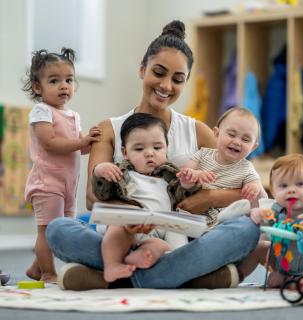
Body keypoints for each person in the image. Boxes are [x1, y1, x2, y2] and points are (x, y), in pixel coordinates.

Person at [46, 20, 260, 291]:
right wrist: (135, 218)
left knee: (246, 230)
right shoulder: (109, 129)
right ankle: (183, 276)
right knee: (59, 230)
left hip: (180, 236)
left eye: (178, 79)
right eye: (158, 73)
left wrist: (208, 198)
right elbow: (92, 197)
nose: (166, 85)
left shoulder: (198, 131)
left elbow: (244, 184)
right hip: (124, 232)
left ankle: (116, 278)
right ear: (142, 69)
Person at [95, 112, 213, 282]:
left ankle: (140, 259)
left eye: (157, 148)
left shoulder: (171, 175)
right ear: (125, 152)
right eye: (139, 149)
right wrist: (100, 171)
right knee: (115, 227)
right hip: (131, 226)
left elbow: (183, 196)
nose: (149, 153)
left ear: (167, 147)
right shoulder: (122, 173)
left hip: (164, 227)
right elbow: (102, 193)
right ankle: (112, 265)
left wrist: (188, 183)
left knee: (165, 247)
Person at [22, 48, 101, 283]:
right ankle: (48, 273)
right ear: (38, 87)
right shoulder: (41, 111)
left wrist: (93, 140)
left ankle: (37, 267)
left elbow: (80, 147)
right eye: (54, 81)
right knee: (47, 231)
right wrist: (81, 141)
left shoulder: (73, 116)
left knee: (62, 231)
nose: (64, 86)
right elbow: (50, 143)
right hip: (47, 182)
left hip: (69, 184)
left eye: (69, 80)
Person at [177, 107, 267, 227]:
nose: (237, 142)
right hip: (193, 217)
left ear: (253, 147)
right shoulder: (203, 154)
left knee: (246, 225)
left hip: (225, 222)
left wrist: (253, 187)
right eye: (231, 134)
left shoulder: (246, 168)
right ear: (217, 133)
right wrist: (193, 176)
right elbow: (183, 176)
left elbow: (261, 196)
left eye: (245, 139)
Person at [247, 154, 303, 289]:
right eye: (283, 185)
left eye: (300, 184)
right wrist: (256, 213)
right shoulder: (277, 211)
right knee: (259, 246)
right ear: (273, 191)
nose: (291, 190)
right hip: (284, 265)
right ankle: (235, 276)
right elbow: (263, 224)